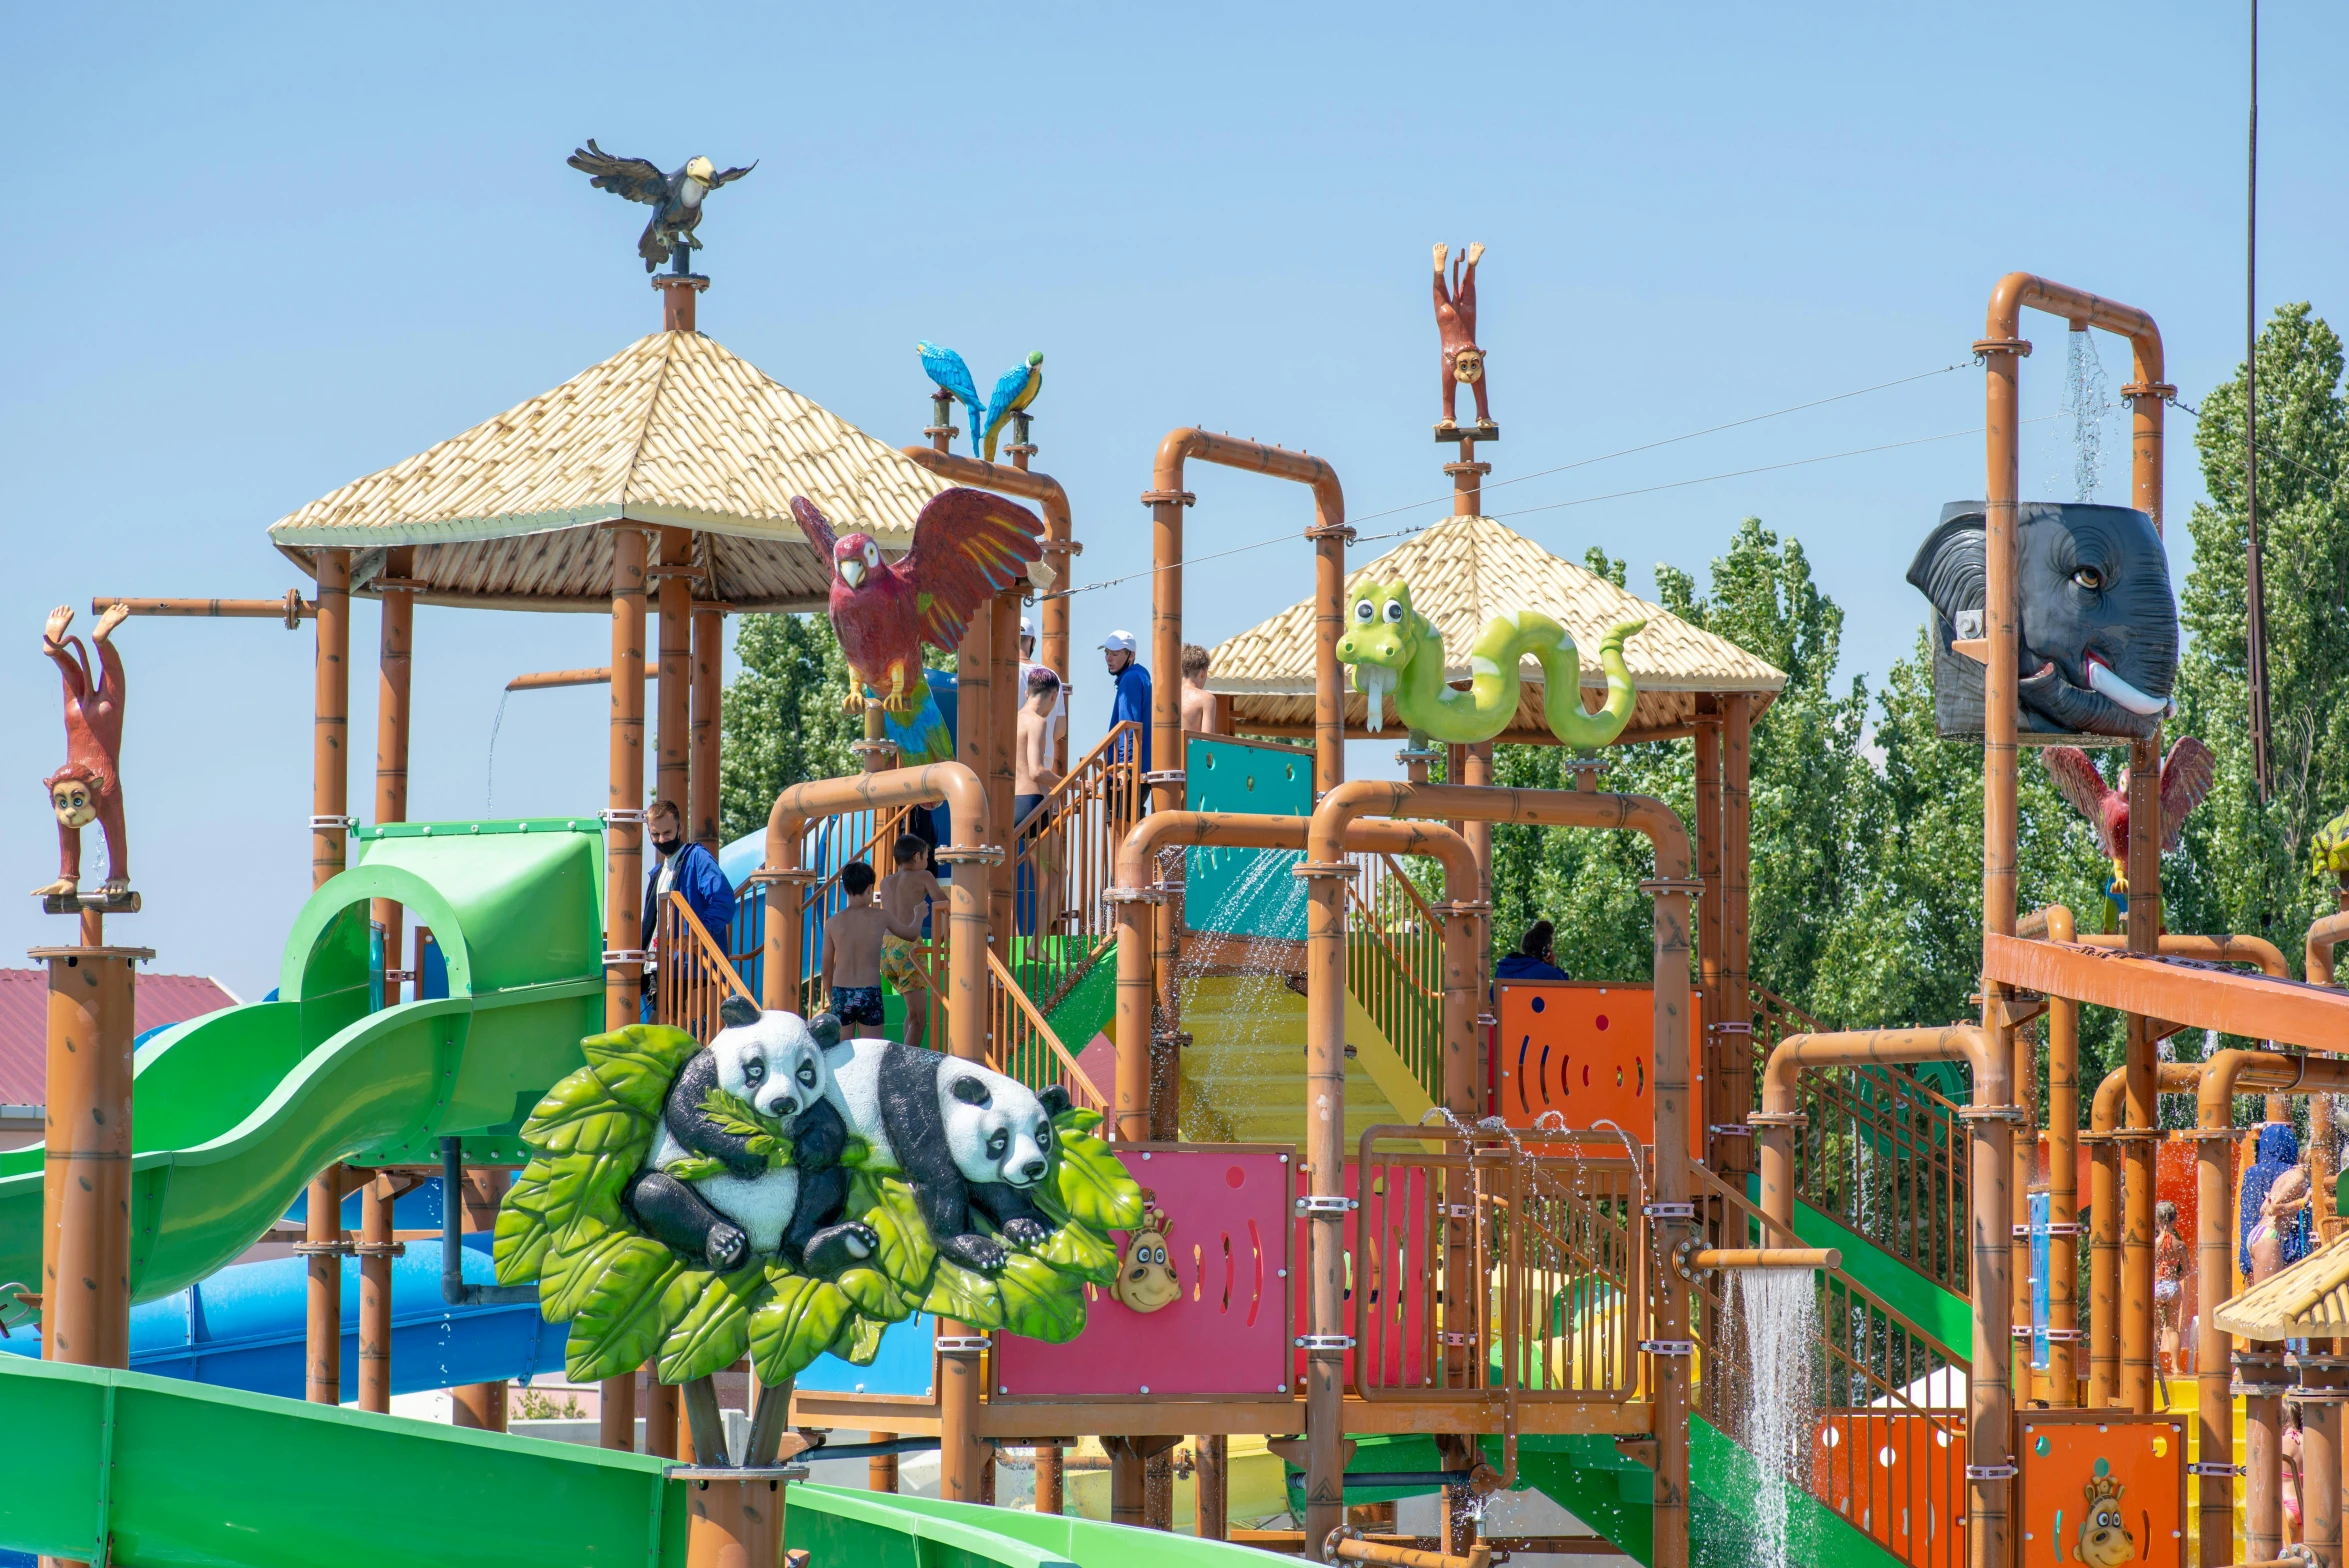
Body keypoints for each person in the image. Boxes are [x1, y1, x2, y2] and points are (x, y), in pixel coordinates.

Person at [640, 799, 736, 1021]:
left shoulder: (696, 858)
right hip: (661, 964)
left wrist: (695, 934)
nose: (662, 839)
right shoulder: (658, 872)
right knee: (660, 1030)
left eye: (667, 832)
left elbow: (723, 901)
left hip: (690, 968)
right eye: (655, 835)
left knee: (680, 1033)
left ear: (680, 828)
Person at [823, 862, 918, 1039]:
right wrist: (919, 915)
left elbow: (826, 970)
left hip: (841, 992)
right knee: (872, 1053)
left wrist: (832, 998)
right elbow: (911, 934)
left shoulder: (833, 922)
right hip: (869, 992)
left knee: (843, 1054)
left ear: (845, 889)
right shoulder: (881, 917)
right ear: (869, 888)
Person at [877, 835, 945, 1049]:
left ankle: (906, 1051)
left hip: (886, 949)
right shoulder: (923, 875)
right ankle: (906, 1068)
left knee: (911, 1011)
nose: (928, 862)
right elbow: (944, 903)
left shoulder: (886, 881)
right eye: (926, 857)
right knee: (918, 1020)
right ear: (917, 857)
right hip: (908, 947)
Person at [1015, 668, 1065, 934]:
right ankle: (1037, 942)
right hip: (1031, 805)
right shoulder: (1037, 721)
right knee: (1059, 873)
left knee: (1001, 875)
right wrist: (1073, 783)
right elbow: (1036, 771)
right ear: (1053, 696)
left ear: (1026, 692)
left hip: (1008, 805)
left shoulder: (1012, 720)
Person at [1102, 629, 1152, 777]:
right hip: (1138, 769)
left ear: (1131, 655)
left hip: (1126, 773)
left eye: (1115, 654)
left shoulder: (1131, 678)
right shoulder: (1141, 676)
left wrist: (1124, 767)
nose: (1108, 658)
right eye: (1106, 653)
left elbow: (1129, 726)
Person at [1018, 615, 1067, 757]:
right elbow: (1060, 729)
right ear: (1033, 642)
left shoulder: (1003, 673)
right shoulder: (1052, 676)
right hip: (1044, 757)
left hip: (1012, 758)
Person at [2153, 1200, 2186, 1372]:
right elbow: (2186, 1270)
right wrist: (2174, 1278)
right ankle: (2175, 1366)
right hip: (2172, 1287)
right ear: (2175, 1220)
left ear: (2156, 1220)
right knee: (2173, 1328)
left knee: (2156, 1327)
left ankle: (2153, 1364)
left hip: (2157, 1286)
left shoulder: (2153, 1244)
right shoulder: (2180, 1245)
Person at [1494, 920, 1571, 984]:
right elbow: (1566, 990)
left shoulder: (1502, 970)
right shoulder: (1547, 972)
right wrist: (1553, 966)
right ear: (1546, 949)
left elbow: (1493, 995)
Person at [1180, 642, 1218, 734]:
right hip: (1191, 748)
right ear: (1203, 671)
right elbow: (1207, 741)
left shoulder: (1165, 697)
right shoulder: (1206, 699)